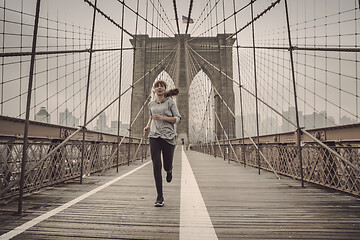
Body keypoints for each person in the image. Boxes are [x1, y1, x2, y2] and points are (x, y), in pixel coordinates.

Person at [143, 80, 181, 207]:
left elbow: (177, 118)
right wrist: (147, 126)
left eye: (162, 86)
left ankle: (169, 171)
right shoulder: (151, 104)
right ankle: (159, 196)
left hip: (168, 136)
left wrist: (163, 118)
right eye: (157, 86)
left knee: (166, 165)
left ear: (165, 89)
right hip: (154, 135)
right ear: (154, 90)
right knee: (156, 166)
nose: (159, 88)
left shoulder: (170, 102)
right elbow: (151, 116)